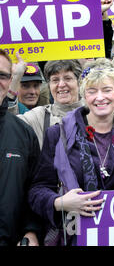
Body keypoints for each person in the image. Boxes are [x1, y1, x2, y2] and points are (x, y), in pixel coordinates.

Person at [28, 58, 114, 246]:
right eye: (92, 91)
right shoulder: (59, 135)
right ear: (84, 95)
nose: (100, 97)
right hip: (78, 236)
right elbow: (37, 191)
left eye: (107, 90)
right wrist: (61, 202)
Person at [0, 49, 41, 246]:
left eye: (3, 75)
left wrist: (31, 230)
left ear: (10, 81)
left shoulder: (23, 132)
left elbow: (34, 187)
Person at [15, 60, 83, 148]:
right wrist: (13, 82)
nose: (61, 84)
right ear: (49, 86)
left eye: (67, 78)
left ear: (79, 82)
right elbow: (6, 127)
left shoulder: (94, 112)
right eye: (55, 80)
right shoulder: (38, 116)